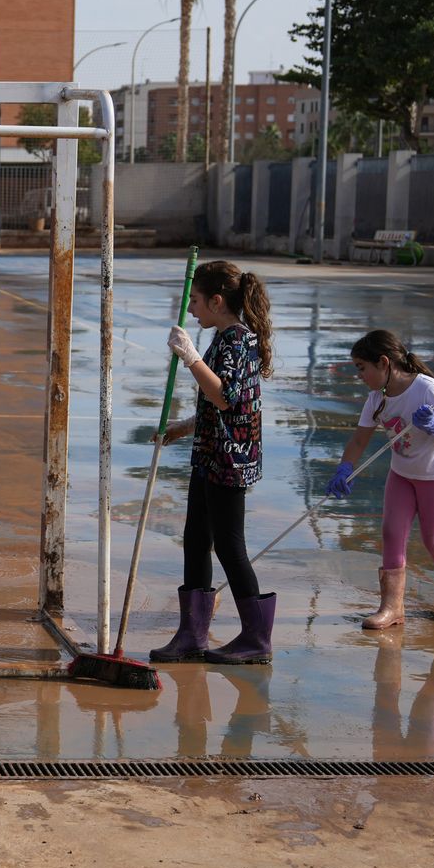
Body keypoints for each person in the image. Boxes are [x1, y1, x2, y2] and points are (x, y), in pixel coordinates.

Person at [150, 260, 276, 665]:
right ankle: (192, 635)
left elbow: (226, 396)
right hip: (210, 451)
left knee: (229, 546)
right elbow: (215, 404)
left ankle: (256, 637)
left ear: (217, 301)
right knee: (195, 539)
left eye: (197, 302)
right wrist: (183, 428)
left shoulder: (238, 340)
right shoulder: (223, 337)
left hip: (230, 460)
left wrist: (189, 357)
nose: (192, 310)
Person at [323, 330, 434, 627]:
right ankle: (391, 607)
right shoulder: (376, 399)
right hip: (402, 474)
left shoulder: (427, 389)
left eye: (362, 368)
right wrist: (344, 467)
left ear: (384, 363)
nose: (360, 376)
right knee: (391, 532)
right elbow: (359, 440)